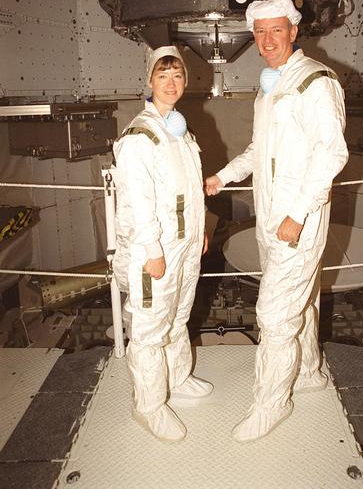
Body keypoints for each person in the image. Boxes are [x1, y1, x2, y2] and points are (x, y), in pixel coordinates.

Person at [206, 0, 349, 442]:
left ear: (294, 31)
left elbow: (332, 154)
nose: (268, 40)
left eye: (276, 30)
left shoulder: (316, 82)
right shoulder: (270, 87)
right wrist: (223, 177)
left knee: (273, 314)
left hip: (296, 220)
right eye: (260, 32)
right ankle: (308, 373)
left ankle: (271, 404)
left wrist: (298, 213)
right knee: (298, 301)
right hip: (271, 217)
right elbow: (258, 151)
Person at [112, 45, 212, 443]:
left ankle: (178, 377)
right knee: (151, 327)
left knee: (178, 314)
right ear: (149, 81)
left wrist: (201, 231)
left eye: (177, 75)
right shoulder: (140, 136)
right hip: (155, 249)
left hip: (184, 243)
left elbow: (188, 191)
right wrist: (152, 251)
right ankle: (149, 406)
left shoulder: (179, 129)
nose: (171, 83)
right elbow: (138, 203)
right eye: (162, 75)